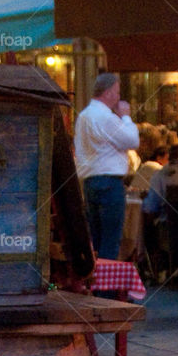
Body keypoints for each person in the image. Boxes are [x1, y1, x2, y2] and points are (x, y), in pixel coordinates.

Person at [74, 73, 139, 259]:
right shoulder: (106, 117)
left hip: (90, 182)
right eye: (117, 92)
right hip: (109, 182)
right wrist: (126, 117)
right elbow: (132, 140)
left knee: (96, 238)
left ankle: (96, 284)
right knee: (110, 240)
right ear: (109, 92)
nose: (119, 97)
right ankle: (106, 288)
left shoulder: (84, 116)